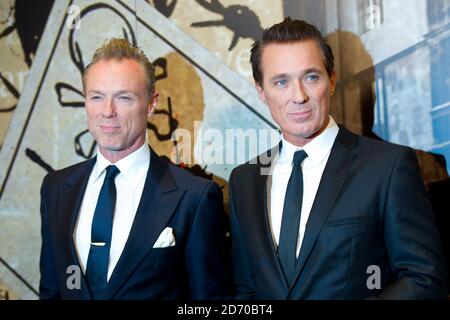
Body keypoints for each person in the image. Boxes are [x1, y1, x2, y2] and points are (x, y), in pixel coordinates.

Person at [229, 18, 449, 299]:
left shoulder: (387, 167)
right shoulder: (244, 181)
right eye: (281, 82)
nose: (298, 96)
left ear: (331, 81)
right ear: (261, 92)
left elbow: (425, 280)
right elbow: (246, 289)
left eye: (311, 77)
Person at [39, 38, 232, 300]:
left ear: (151, 104)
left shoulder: (194, 197)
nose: (108, 112)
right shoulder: (56, 188)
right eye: (97, 97)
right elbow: (52, 291)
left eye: (124, 98)